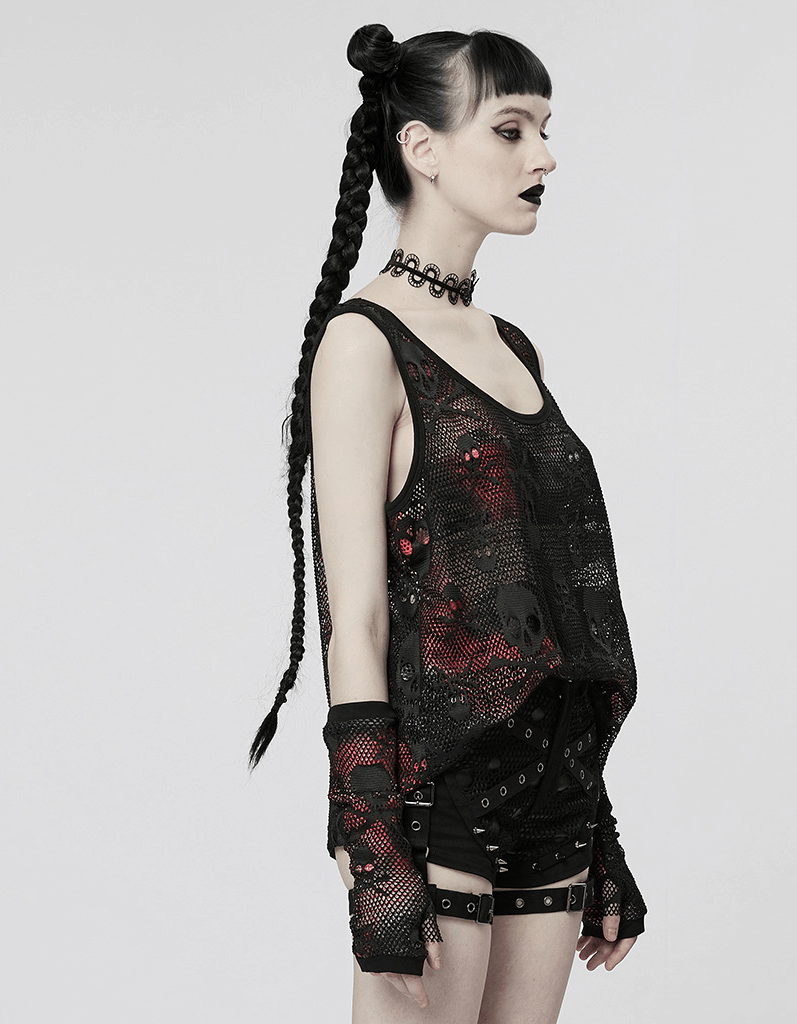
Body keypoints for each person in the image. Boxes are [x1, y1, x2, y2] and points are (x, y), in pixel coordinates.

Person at [250, 24, 647, 1023]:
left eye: (546, 130)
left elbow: (536, 609)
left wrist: (596, 821)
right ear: (422, 148)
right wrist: (372, 837)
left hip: (552, 803)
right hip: (436, 795)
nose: (543, 157)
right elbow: (357, 618)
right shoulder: (363, 342)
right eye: (511, 130)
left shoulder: (510, 345)